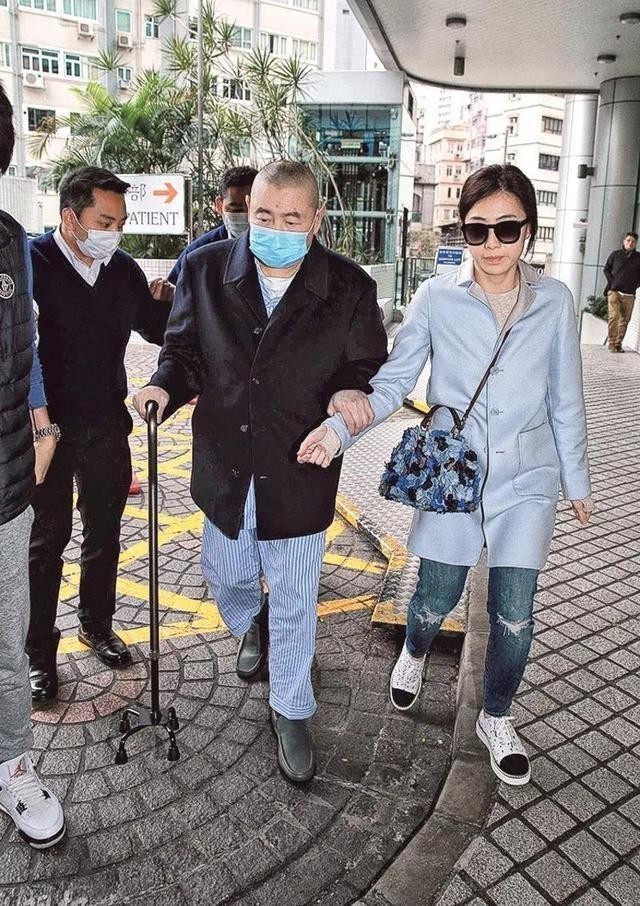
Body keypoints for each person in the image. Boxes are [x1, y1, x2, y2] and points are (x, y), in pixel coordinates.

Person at [298, 164, 592, 787]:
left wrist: (577, 479)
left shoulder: (555, 301)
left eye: (506, 229)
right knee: (435, 595)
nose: (492, 244)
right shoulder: (437, 296)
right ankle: (413, 651)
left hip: (527, 480)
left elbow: (566, 395)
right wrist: (339, 430)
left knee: (515, 613)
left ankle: (496, 715)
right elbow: (394, 381)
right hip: (452, 477)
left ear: (529, 231)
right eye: (477, 230)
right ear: (463, 231)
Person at [132, 160, 387, 784]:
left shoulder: (349, 286)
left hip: (299, 463)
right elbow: (182, 351)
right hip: (225, 460)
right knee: (226, 572)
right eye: (264, 216)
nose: (274, 229)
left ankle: (292, 708)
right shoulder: (204, 269)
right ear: (249, 210)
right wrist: (163, 385)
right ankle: (255, 622)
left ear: (316, 220)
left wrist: (348, 391)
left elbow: (363, 364)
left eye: (291, 219)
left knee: (297, 595)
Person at [27, 167, 172, 703]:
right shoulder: (31, 264)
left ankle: (96, 624)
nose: (115, 232)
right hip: (47, 433)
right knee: (46, 543)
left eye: (121, 223)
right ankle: (38, 652)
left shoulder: (122, 271)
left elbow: (159, 329)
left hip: (108, 425)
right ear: (71, 218)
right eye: (104, 222)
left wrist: (172, 299)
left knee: (105, 534)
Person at [0, 81, 65, 848]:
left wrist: (43, 431)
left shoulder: (10, 238)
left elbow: (28, 345)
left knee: (6, 643)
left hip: (8, 479)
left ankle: (13, 765)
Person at [165, 165, 258, 289]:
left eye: (253, 209)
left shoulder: (277, 249)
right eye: (236, 210)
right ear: (219, 206)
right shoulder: (197, 253)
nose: (247, 216)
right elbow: (174, 292)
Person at [603, 231, 640, 353]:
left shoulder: (638, 258)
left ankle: (618, 343)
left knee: (625, 320)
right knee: (614, 316)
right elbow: (606, 269)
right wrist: (612, 282)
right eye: (628, 240)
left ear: (636, 244)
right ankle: (611, 342)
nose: (630, 243)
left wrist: (635, 285)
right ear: (624, 241)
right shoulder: (615, 255)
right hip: (614, 291)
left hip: (629, 294)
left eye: (633, 241)